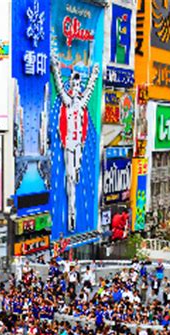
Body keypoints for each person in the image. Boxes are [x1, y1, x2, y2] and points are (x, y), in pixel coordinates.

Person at [51, 51, 99, 232]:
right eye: (74, 83)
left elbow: (91, 89)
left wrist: (94, 74)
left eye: (79, 83)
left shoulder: (81, 103)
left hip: (78, 145)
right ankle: (71, 217)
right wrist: (55, 69)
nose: (77, 86)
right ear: (71, 84)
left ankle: (73, 215)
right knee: (70, 178)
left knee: (75, 176)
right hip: (69, 145)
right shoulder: (68, 102)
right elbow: (59, 86)